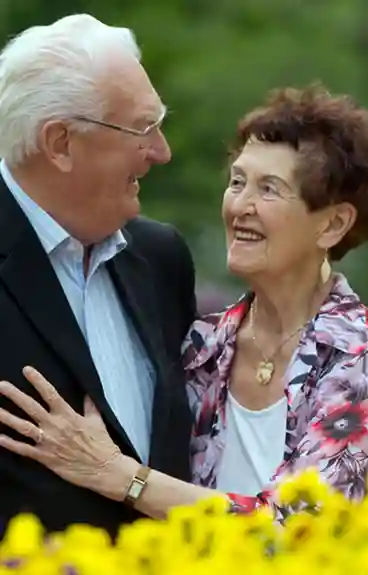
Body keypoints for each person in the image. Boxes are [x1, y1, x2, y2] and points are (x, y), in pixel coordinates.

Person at [0, 84, 368, 524]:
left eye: (269, 189)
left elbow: (302, 528)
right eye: (237, 182)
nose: (240, 205)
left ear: (333, 224)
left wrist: (122, 477)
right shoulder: (202, 345)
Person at [0, 15, 195, 537]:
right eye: (143, 128)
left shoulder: (162, 259)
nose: (162, 151)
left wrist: (358, 363)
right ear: (61, 143)